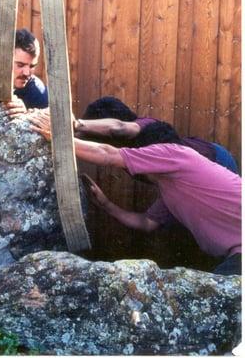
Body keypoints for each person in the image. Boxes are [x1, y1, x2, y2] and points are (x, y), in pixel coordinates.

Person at [28, 110, 241, 276]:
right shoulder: (170, 188)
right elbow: (147, 223)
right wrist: (106, 205)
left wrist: (58, 138)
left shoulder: (175, 153)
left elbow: (107, 154)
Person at [73, 96, 239, 174]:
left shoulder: (144, 124)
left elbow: (119, 127)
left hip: (217, 159)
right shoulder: (126, 152)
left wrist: (77, 124)